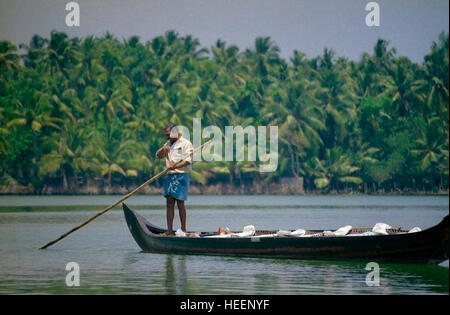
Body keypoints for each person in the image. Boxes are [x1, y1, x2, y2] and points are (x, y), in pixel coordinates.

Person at [156, 123, 193, 236]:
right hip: (170, 175)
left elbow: (187, 161)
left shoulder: (186, 143)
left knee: (180, 202)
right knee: (169, 202)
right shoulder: (167, 144)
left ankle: (183, 229)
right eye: (166, 135)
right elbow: (158, 155)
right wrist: (164, 149)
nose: (167, 137)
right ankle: (169, 230)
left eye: (169, 134)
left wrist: (175, 166)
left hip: (181, 175)